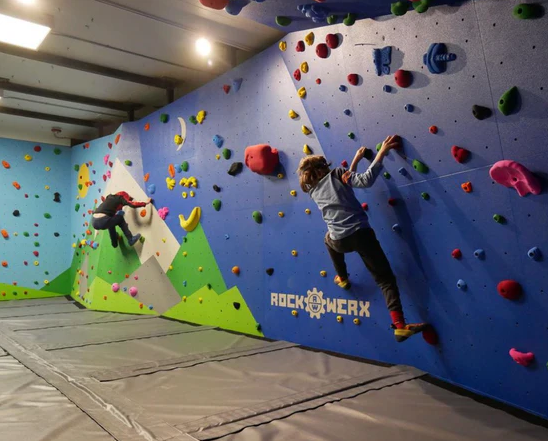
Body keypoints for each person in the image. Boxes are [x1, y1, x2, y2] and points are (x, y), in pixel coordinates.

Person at [297, 135, 428, 342]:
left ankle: (342, 277)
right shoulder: (338, 174)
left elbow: (340, 185)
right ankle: (400, 326)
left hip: (340, 241)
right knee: (385, 280)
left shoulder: (313, 191)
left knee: (327, 238)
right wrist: (382, 153)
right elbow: (362, 181)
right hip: (361, 235)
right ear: (324, 167)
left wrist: (355, 160)